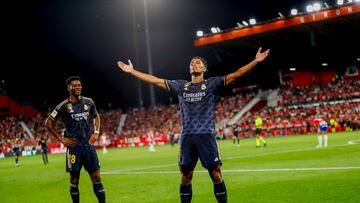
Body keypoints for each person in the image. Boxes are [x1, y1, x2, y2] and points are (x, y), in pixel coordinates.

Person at [117, 47, 269, 203]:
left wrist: (255, 61)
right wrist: (133, 71)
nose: (194, 64)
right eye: (192, 63)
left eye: (198, 63)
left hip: (206, 135)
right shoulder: (181, 86)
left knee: (216, 174)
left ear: (204, 68)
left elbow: (236, 75)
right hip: (187, 137)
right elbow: (155, 80)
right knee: (186, 176)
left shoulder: (212, 84)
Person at [45, 76, 106, 203]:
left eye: (79, 85)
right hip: (74, 147)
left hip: (88, 145)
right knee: (74, 180)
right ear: (69, 88)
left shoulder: (89, 102)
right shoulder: (62, 106)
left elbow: (96, 116)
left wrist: (96, 132)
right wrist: (61, 139)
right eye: (75, 85)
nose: (78, 87)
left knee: (96, 178)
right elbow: (48, 123)